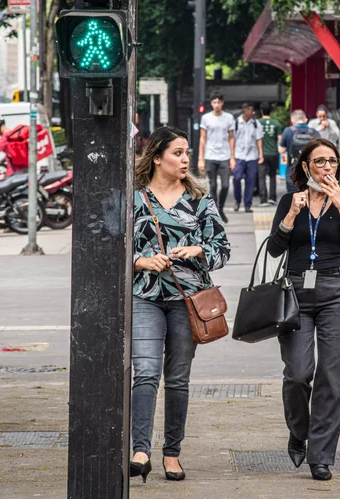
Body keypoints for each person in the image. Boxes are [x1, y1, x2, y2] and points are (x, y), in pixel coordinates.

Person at [131, 126, 230, 483]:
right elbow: (114, 249)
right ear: (156, 157)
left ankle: (172, 453)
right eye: (177, 152)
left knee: (177, 379)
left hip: (188, 301)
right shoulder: (136, 198)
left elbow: (222, 250)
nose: (185, 158)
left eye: (187, 152)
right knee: (144, 372)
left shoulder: (200, 198)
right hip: (145, 297)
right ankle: (140, 450)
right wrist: (142, 261)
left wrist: (198, 250)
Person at [267, 137, 340, 482]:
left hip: (335, 292)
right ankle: (299, 431)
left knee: (332, 377)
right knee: (297, 373)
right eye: (320, 161)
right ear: (306, 166)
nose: (327, 167)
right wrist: (292, 215)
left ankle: (321, 456)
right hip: (295, 291)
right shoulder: (289, 201)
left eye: (333, 162)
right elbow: (274, 250)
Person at [199, 91, 235, 223]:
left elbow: (231, 138)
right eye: (214, 102)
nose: (217, 105)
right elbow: (202, 138)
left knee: (225, 185)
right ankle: (215, 213)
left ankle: (220, 208)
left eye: (219, 102)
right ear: (211, 103)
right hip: (210, 155)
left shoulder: (229, 118)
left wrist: (232, 157)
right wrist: (200, 158)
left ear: (222, 103)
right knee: (213, 186)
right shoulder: (206, 118)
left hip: (224, 156)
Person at [232, 102, 264, 213]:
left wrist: (261, 155)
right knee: (236, 178)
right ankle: (237, 200)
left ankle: (247, 204)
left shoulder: (256, 123)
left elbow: (259, 139)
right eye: (251, 109)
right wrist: (231, 157)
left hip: (252, 156)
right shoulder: (236, 123)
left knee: (250, 180)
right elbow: (232, 140)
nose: (253, 112)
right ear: (245, 110)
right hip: (239, 155)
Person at [279, 109, 320, 193]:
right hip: (311, 173)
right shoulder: (314, 132)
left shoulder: (288, 131)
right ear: (305, 120)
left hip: (293, 172)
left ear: (292, 121)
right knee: (311, 200)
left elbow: (281, 150)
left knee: (293, 199)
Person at [259, 102, 283, 206]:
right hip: (273, 153)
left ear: (261, 111)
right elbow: (280, 139)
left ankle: (263, 199)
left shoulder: (257, 122)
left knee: (261, 176)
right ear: (271, 111)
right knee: (272, 175)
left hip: (262, 153)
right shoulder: (276, 123)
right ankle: (272, 198)